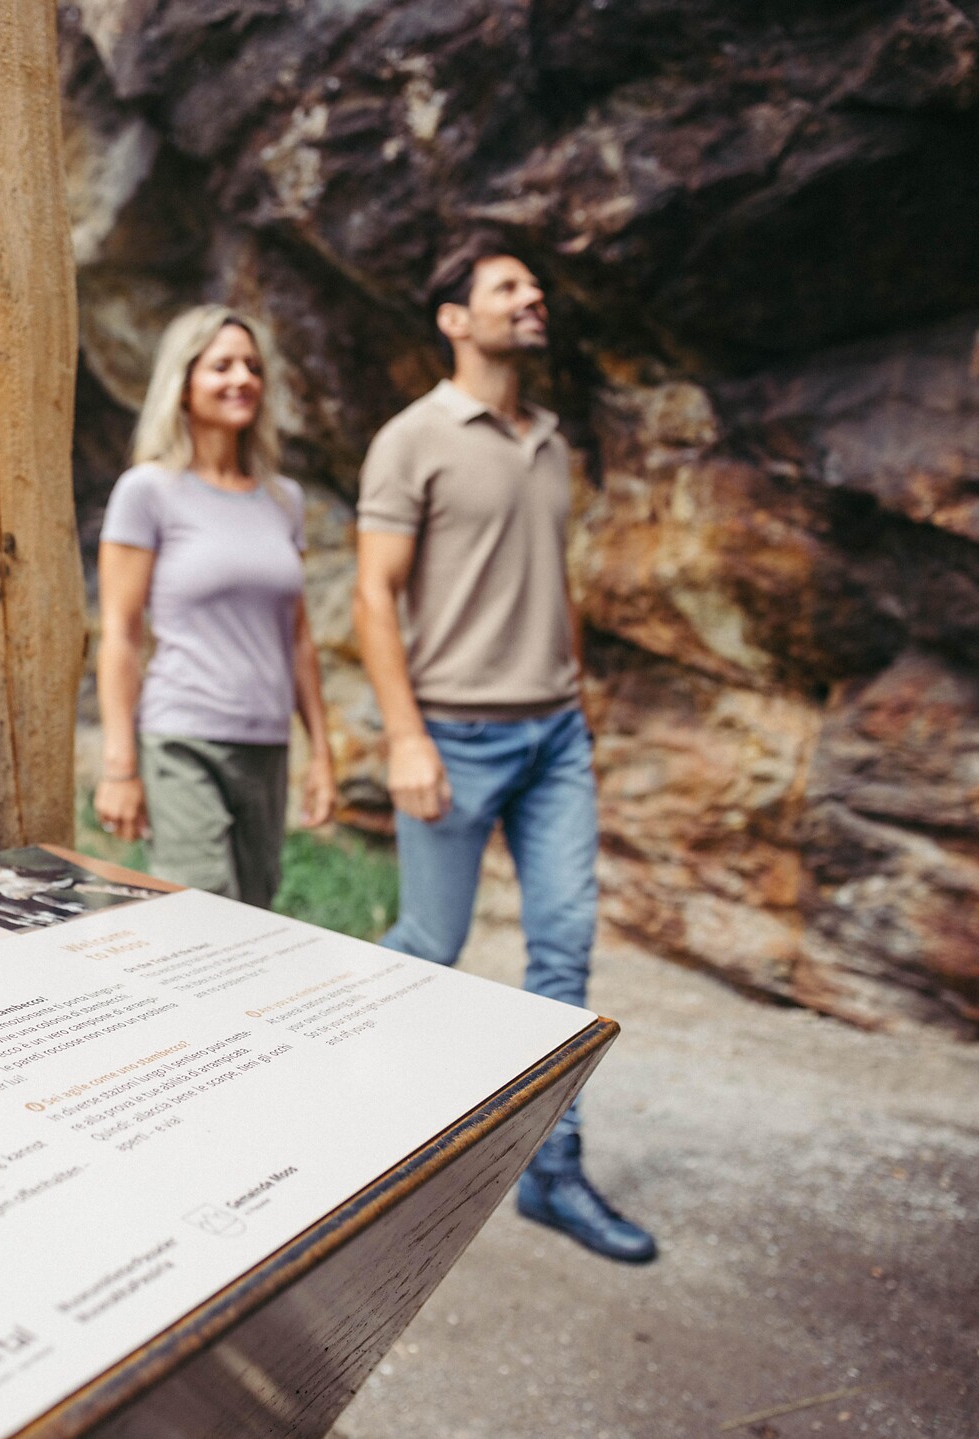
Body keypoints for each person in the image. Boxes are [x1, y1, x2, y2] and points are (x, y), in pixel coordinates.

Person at [353, 238, 658, 1264]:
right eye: (508, 287)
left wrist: (573, 692)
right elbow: (373, 596)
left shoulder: (551, 439)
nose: (533, 298)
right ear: (453, 317)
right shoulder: (412, 439)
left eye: (533, 286)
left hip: (554, 737)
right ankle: (338, 1124)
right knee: (428, 948)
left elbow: (552, 578)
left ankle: (553, 1170)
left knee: (564, 947)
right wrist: (404, 735)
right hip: (453, 734)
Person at [94, 305, 335, 907]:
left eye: (252, 367)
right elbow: (120, 634)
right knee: (202, 917)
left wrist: (321, 756)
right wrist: (120, 767)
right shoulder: (148, 491)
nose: (242, 379)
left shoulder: (283, 500)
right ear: (183, 382)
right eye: (221, 365)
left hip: (267, 745)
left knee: (255, 916)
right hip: (184, 737)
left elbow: (298, 639)